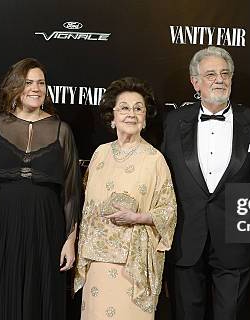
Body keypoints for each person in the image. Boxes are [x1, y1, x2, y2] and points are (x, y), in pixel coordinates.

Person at [0, 58, 81, 319]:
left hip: (45, 224)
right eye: (29, 82)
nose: (36, 88)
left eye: (41, 82)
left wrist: (70, 240)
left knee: (40, 296)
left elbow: (72, 190)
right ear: (16, 86)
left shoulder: (61, 130)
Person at [161, 46, 250, 320]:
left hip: (236, 240)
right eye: (210, 74)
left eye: (224, 73)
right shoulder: (173, 122)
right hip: (186, 239)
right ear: (195, 82)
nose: (219, 79)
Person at [74, 77, 177, 319]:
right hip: (97, 261)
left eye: (138, 108)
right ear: (112, 115)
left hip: (133, 266)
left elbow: (168, 211)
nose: (131, 114)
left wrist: (137, 216)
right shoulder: (100, 154)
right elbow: (86, 206)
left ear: (144, 117)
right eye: (124, 108)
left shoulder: (154, 160)